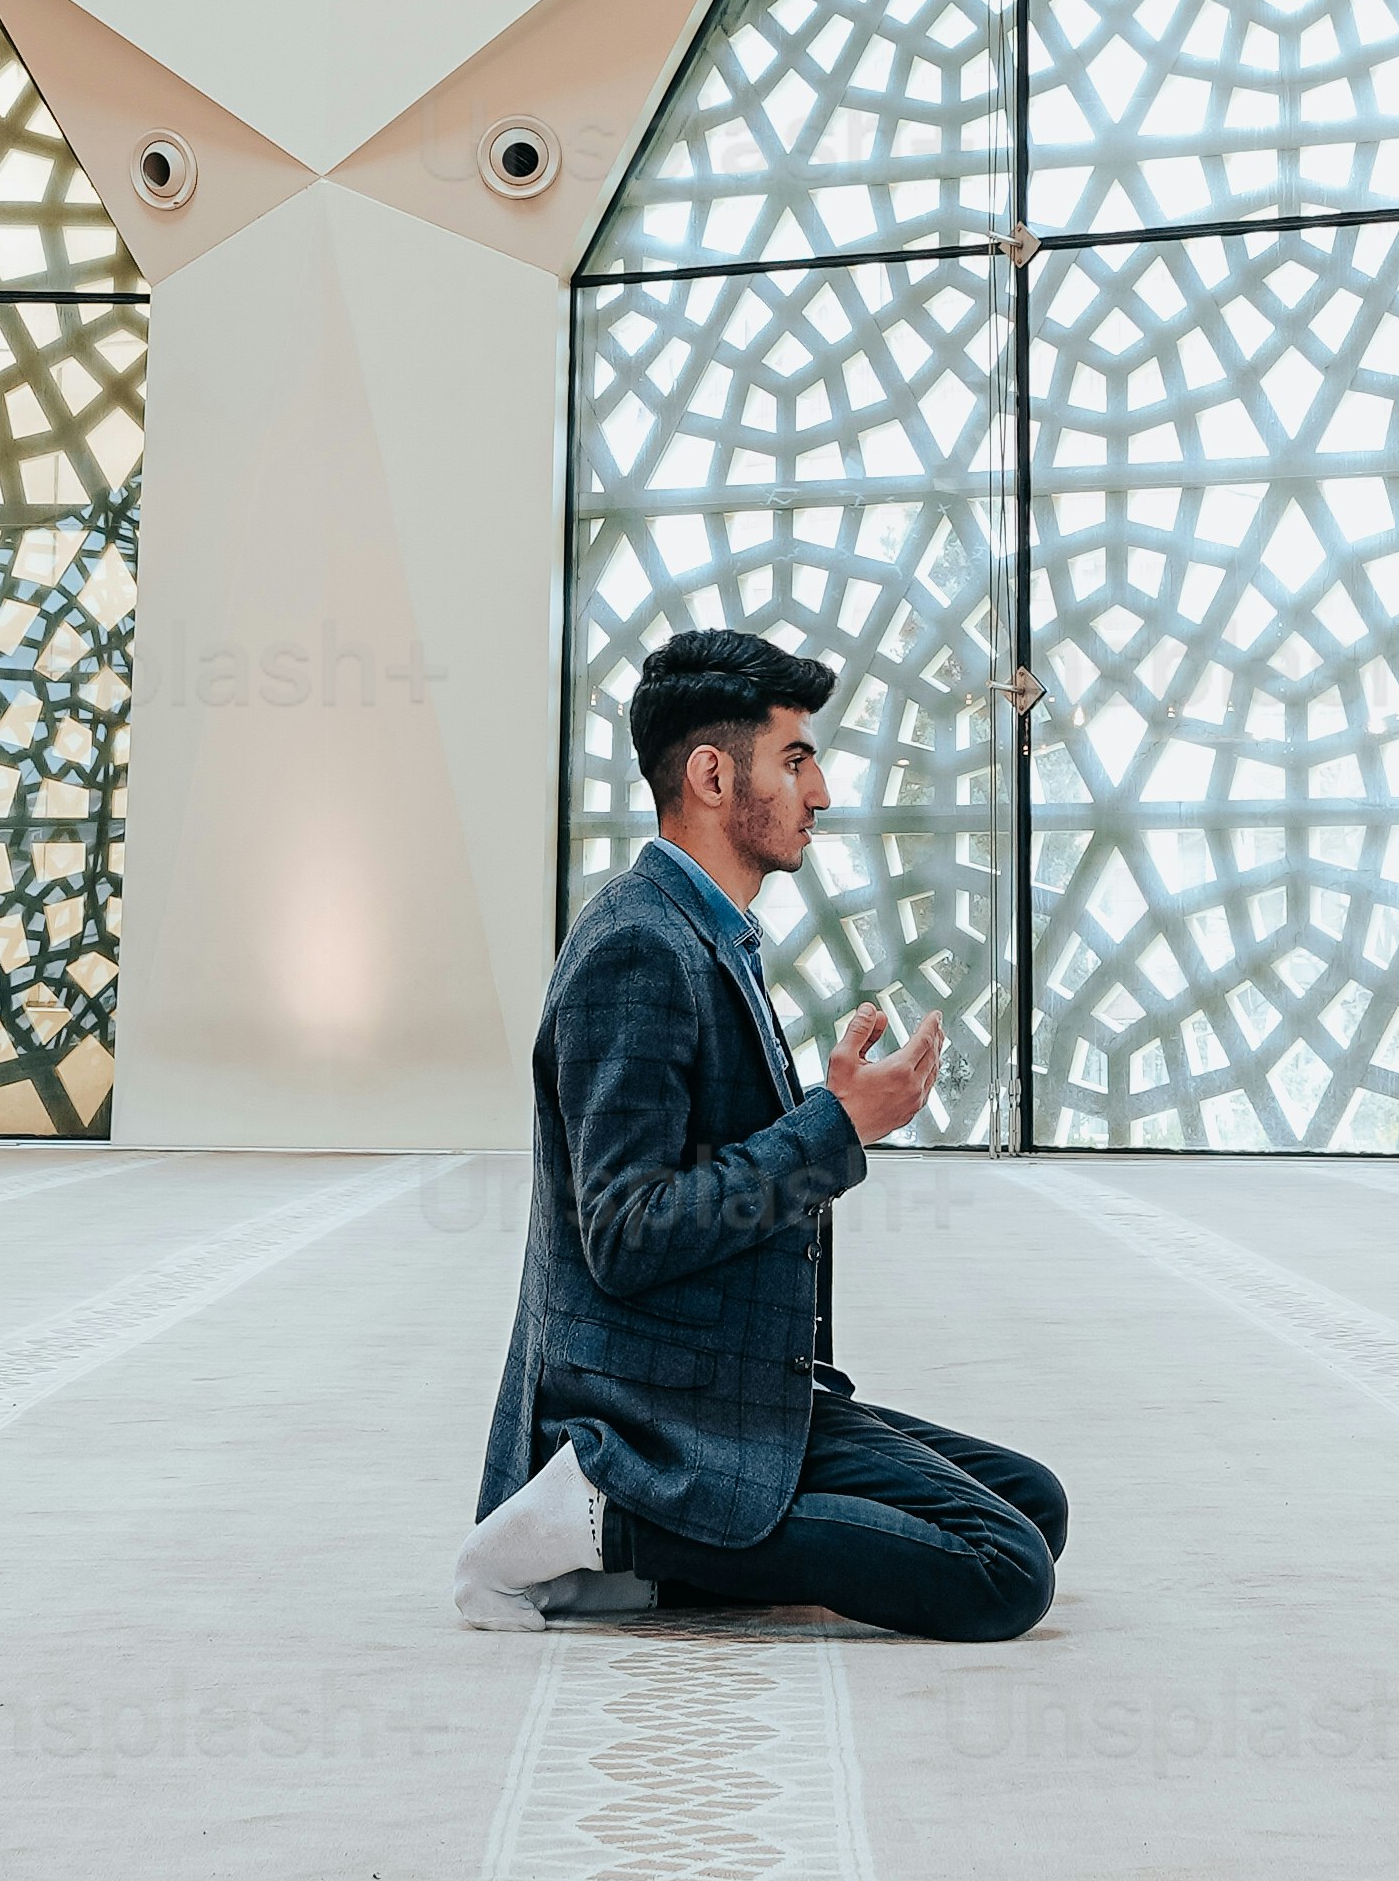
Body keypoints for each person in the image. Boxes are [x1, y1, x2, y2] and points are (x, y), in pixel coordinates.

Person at [458, 624, 1069, 1642]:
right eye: (794, 759)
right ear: (709, 773)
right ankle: (598, 1521)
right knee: (1000, 1569)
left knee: (1033, 1505)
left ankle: (654, 1573)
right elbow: (628, 1232)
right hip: (650, 1414)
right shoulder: (637, 949)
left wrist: (826, 1117)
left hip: (745, 1381)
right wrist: (833, 1129)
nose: (819, 791)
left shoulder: (704, 932)